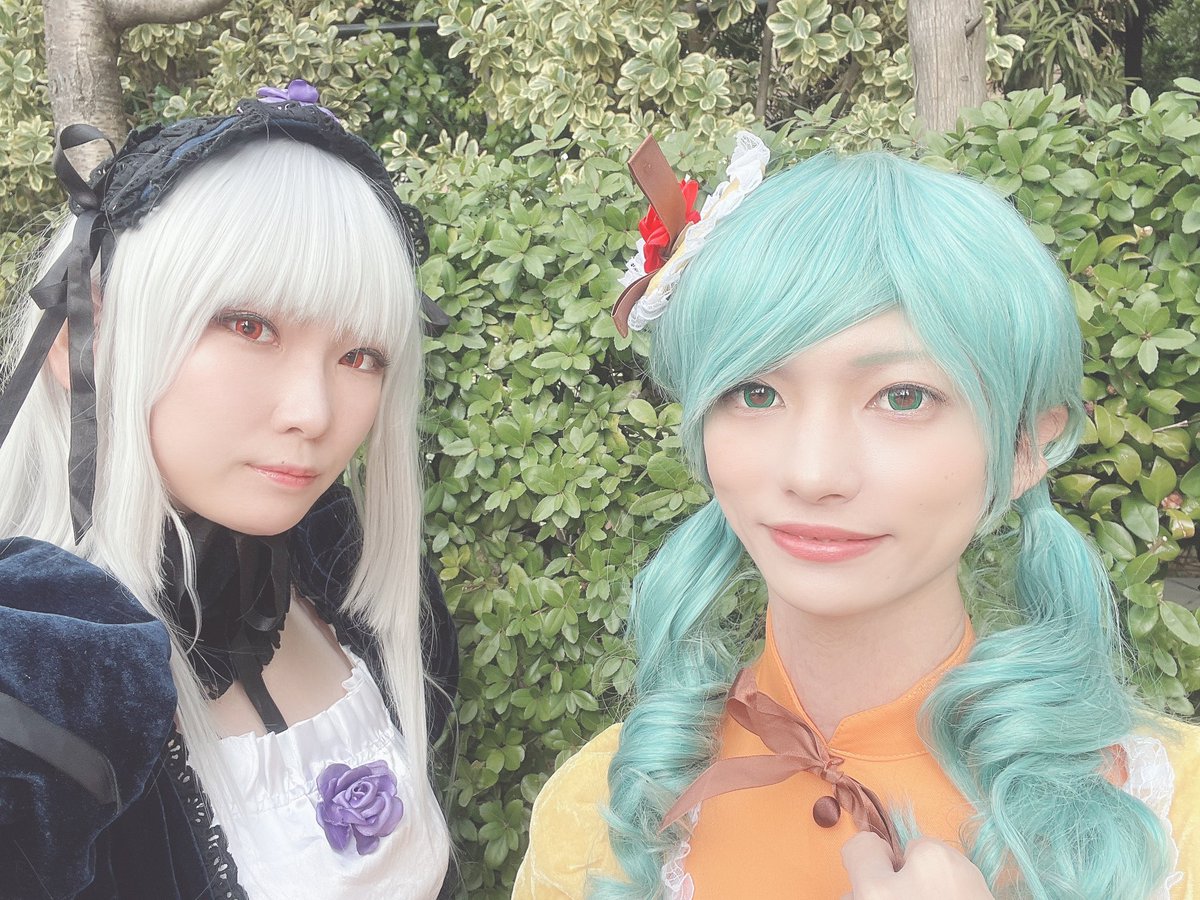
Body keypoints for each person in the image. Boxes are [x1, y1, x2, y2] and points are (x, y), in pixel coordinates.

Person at [513, 136, 1199, 899]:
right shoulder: (599, 815)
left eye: (902, 397)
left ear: (1024, 448)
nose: (813, 475)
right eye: (755, 393)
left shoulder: (1174, 816)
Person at [0, 81, 458, 899]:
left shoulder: (347, 575)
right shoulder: (35, 694)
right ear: (83, 338)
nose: (314, 413)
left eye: (360, 356)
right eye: (250, 326)